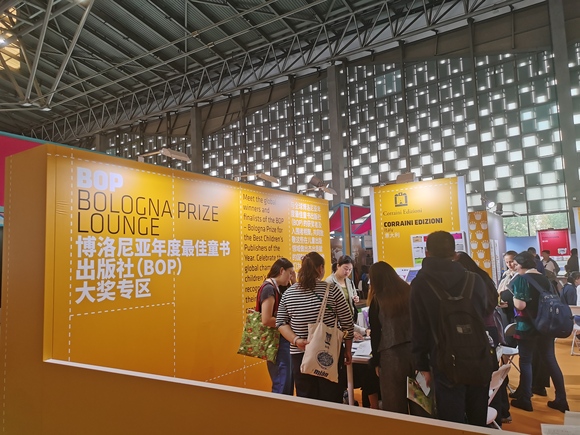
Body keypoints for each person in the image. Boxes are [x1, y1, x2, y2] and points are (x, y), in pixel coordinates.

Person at [410, 231, 491, 427]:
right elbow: (485, 311)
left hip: (444, 361)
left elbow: (418, 328)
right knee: (478, 424)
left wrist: (421, 366)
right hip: (479, 357)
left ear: (427, 253)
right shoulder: (474, 279)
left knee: (451, 424)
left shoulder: (420, 283)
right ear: (455, 254)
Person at [276, 252, 354, 403]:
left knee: (306, 398)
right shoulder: (332, 290)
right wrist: (348, 350)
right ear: (320, 268)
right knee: (331, 397)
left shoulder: (289, 293)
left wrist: (296, 340)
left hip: (300, 354)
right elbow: (347, 323)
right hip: (329, 351)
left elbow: (280, 322)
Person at [509, 251, 569, 413]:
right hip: (547, 326)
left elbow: (520, 305)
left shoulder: (521, 279)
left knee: (526, 361)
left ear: (521, 264)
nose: (515, 267)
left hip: (527, 327)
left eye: (516, 264)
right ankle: (561, 399)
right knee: (550, 360)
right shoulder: (545, 279)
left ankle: (525, 399)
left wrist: (513, 297)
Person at [326, 255, 379, 408]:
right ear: (337, 266)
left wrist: (354, 299)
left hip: (349, 324)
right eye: (345, 268)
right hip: (338, 329)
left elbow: (349, 304)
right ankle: (345, 395)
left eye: (350, 269)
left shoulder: (348, 281)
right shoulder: (329, 283)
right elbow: (332, 314)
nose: (348, 272)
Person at [368, 261, 414, 414]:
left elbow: (376, 334)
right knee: (421, 403)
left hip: (390, 357)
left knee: (394, 406)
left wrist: (375, 361)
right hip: (416, 354)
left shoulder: (377, 301)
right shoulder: (410, 292)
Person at [258, 258, 295, 395]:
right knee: (282, 382)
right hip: (276, 342)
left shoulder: (279, 288)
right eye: (290, 273)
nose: (291, 277)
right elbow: (266, 319)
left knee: (287, 380)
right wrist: (286, 323)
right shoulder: (269, 288)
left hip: (282, 340)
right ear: (281, 271)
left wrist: (294, 281)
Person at [497, 251, 518, 324]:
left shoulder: (521, 275)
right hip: (504, 308)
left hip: (516, 309)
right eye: (507, 262)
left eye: (511, 261)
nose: (509, 264)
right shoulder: (505, 274)